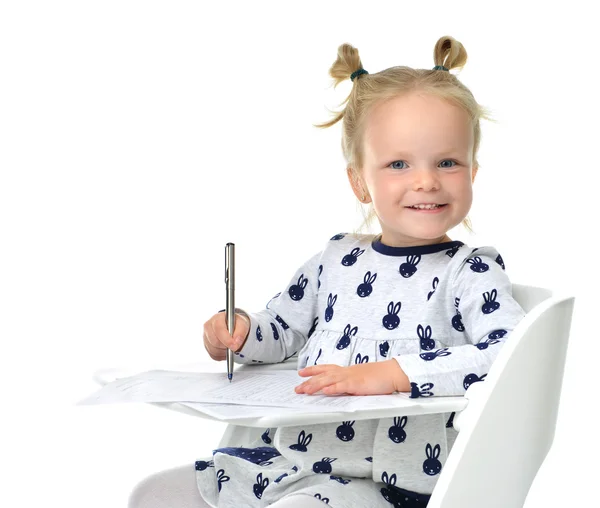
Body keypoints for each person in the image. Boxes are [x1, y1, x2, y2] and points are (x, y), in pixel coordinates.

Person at [128, 35, 526, 508]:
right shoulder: (337, 260)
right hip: (290, 464)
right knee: (154, 495)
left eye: (447, 162)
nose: (427, 180)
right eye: (398, 163)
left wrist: (394, 373)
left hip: (387, 484)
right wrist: (238, 330)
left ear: (473, 173)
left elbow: (508, 357)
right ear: (360, 181)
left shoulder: (470, 272)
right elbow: (281, 330)